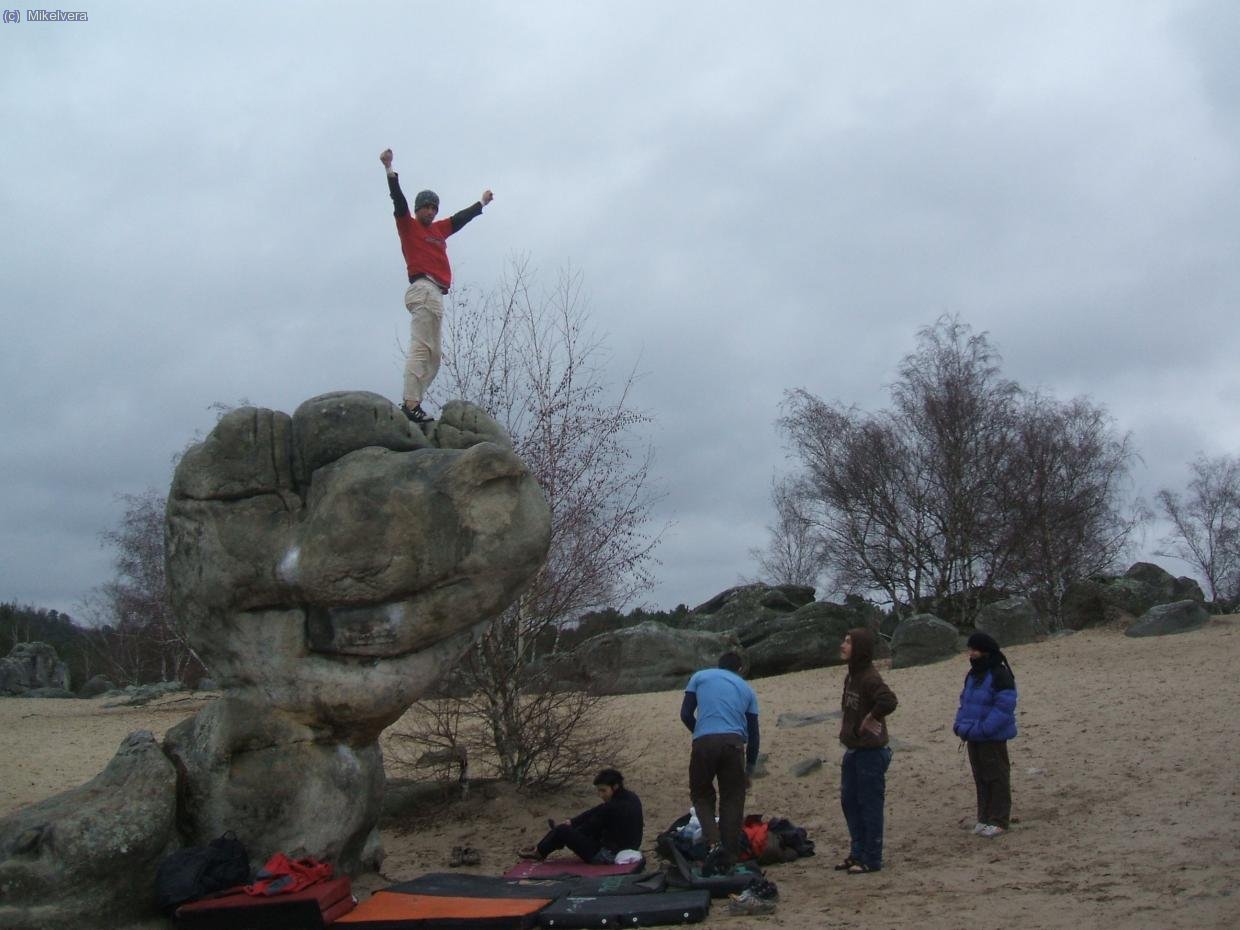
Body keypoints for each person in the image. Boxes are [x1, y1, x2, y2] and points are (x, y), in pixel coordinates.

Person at [379, 148, 493, 424]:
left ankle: (413, 401)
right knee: (421, 347)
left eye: (433, 207)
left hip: (436, 294)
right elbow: (398, 200)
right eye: (425, 207)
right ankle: (409, 403)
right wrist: (389, 168)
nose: (429, 211)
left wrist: (481, 204)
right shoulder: (409, 225)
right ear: (418, 209)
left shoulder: (438, 230)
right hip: (422, 288)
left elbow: (458, 220)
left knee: (436, 357)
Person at [680, 652, 760, 873]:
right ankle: (731, 855)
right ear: (740, 669)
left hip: (704, 743)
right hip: (734, 744)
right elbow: (754, 735)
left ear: (718, 665)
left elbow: (685, 713)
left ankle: (714, 844)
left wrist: (700, 733)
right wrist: (750, 769)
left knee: (701, 794)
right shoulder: (747, 689)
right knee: (733, 798)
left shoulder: (700, 677)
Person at [836, 628, 897, 874]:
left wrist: (872, 717)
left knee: (869, 805)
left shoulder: (869, 677)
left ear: (859, 648)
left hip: (870, 753)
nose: (843, 645)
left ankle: (871, 859)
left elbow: (889, 700)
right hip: (853, 751)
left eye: (848, 642)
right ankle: (857, 853)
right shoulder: (851, 676)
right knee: (850, 803)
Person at [952, 631, 1017, 838]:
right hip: (973, 735)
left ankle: (999, 820)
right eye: (970, 650)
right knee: (980, 777)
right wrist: (960, 725)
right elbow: (965, 702)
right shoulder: (972, 675)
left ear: (985, 651)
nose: (971, 654)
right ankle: (984, 818)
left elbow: (1004, 706)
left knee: (996, 776)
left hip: (992, 737)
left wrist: (985, 729)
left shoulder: (1000, 673)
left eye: (974, 650)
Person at [518, 768, 643, 863]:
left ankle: (539, 852)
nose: (600, 795)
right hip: (629, 848)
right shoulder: (631, 797)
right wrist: (572, 822)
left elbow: (588, 829)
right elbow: (595, 811)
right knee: (567, 828)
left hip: (609, 855)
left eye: (603, 790)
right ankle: (549, 841)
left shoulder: (612, 807)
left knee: (562, 831)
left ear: (615, 787)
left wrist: (565, 832)